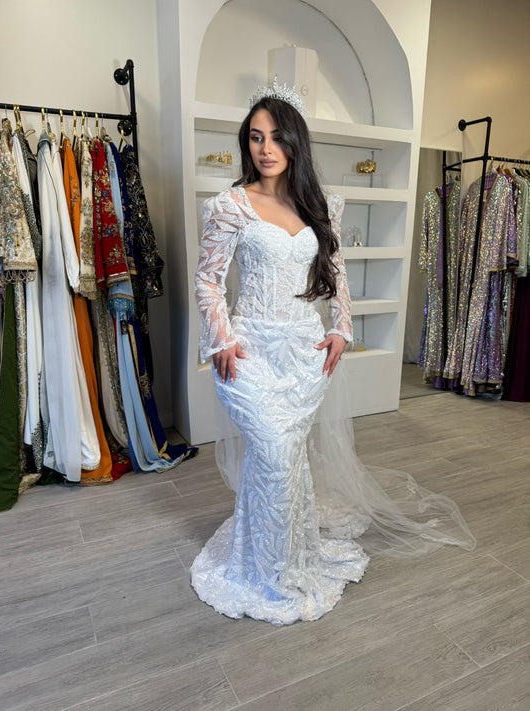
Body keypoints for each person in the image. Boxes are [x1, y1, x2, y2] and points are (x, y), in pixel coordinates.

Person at [192, 81, 475, 626]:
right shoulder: (231, 205)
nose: (265, 148)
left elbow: (337, 272)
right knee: (274, 455)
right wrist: (222, 338)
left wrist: (342, 327)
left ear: (295, 142)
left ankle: (285, 552)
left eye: (276, 137)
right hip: (249, 353)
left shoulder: (319, 205)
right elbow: (208, 280)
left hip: (304, 354)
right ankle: (268, 575)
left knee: (285, 458)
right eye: (255, 137)